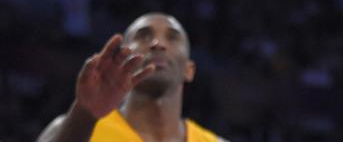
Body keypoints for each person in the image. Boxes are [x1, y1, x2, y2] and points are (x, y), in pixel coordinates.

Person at [36, 12, 228, 142]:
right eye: (144, 36)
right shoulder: (76, 127)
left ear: (189, 70)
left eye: (172, 37)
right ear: (122, 58)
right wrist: (84, 113)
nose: (157, 43)